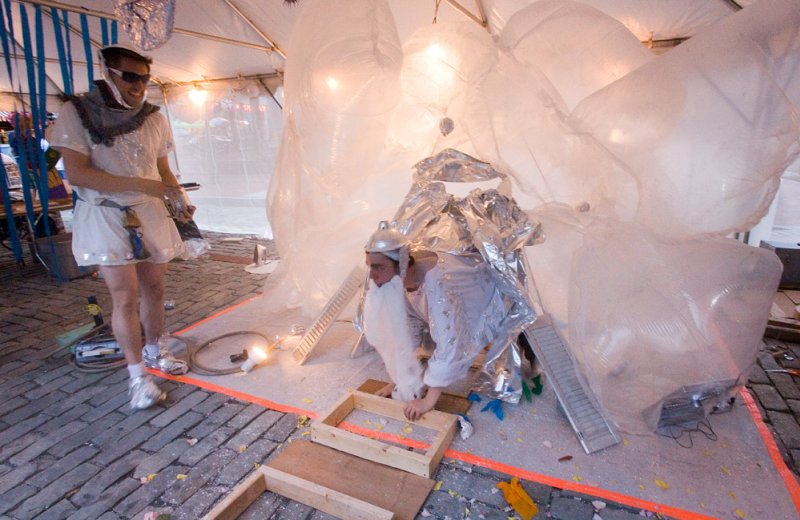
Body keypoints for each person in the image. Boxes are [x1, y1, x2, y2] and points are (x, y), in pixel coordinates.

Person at [50, 44, 192, 410]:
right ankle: (136, 378)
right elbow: (78, 173)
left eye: (144, 78)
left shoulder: (153, 118)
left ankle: (152, 351)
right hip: (106, 213)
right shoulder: (77, 112)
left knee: (156, 288)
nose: (138, 86)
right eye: (130, 77)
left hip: (148, 211)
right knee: (125, 297)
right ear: (109, 74)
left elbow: (162, 171)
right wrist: (145, 186)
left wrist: (177, 198)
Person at [362, 221, 506, 420]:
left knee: (465, 338)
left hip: (486, 295)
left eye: (378, 267)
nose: (372, 275)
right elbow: (406, 331)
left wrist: (428, 401)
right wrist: (402, 380)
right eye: (369, 266)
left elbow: (451, 342)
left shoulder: (438, 285)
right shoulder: (397, 282)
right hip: (439, 295)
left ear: (402, 264)